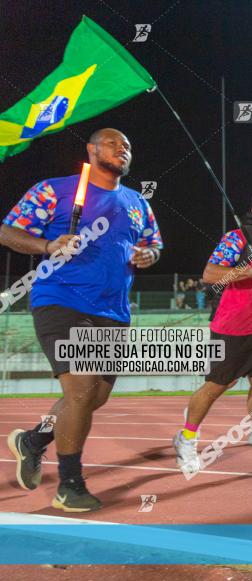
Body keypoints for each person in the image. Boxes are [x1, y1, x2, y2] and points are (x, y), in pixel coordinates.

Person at [2, 128, 162, 512]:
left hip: (113, 310)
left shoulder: (137, 201)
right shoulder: (53, 190)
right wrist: (47, 245)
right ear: (91, 150)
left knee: (95, 396)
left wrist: (150, 255)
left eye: (127, 145)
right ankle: (69, 485)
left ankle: (34, 441)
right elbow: (7, 231)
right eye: (112, 143)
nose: (122, 148)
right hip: (61, 298)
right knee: (80, 389)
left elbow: (153, 241)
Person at [173, 189, 252, 474]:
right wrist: (245, 271)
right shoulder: (237, 239)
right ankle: (187, 439)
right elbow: (209, 275)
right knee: (216, 387)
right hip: (230, 328)